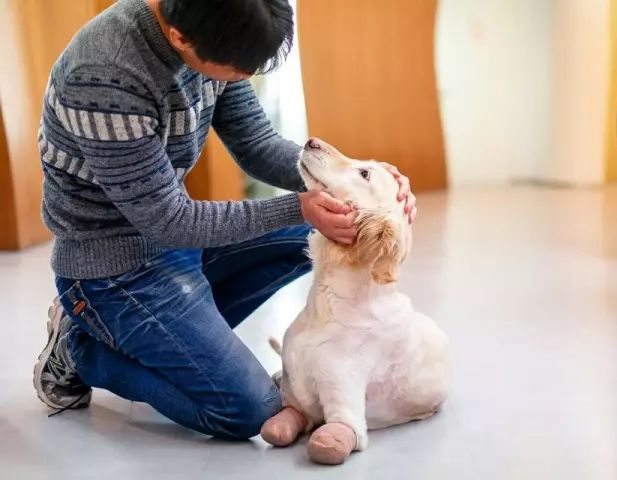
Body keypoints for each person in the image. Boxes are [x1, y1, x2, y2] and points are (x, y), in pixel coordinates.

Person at [32, 0, 417, 440]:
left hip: (174, 241)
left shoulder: (218, 25)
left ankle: (162, 337)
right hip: (115, 272)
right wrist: (301, 206)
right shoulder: (105, 74)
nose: (244, 77)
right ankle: (80, 346)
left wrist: (360, 189)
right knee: (249, 412)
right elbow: (169, 221)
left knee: (321, 230)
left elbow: (256, 144)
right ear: (179, 38)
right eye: (236, 70)